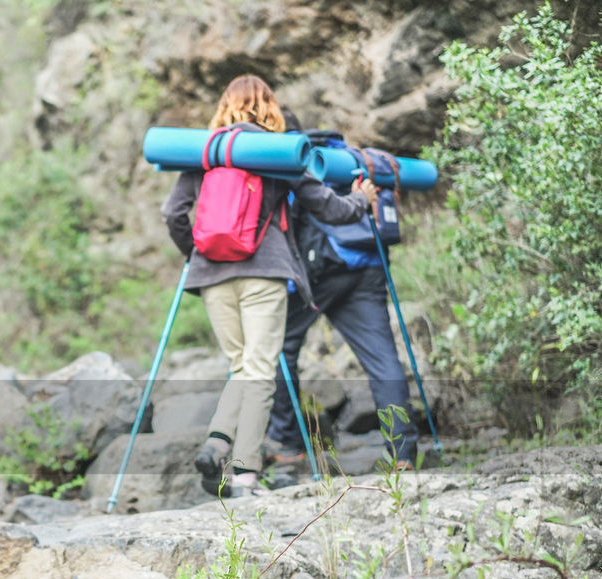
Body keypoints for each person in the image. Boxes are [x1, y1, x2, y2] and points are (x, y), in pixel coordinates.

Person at [161, 74, 378, 497]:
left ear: (224, 106)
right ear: (270, 108)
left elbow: (173, 214)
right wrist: (362, 200)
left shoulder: (204, 154)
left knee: (241, 365)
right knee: (260, 370)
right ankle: (244, 474)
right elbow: (327, 208)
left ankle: (217, 442)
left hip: (212, 277)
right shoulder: (276, 153)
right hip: (264, 273)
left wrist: (197, 255)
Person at [266, 116, 418, 470]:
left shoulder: (288, 159)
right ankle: (403, 454)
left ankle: (288, 443)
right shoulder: (346, 156)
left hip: (320, 272)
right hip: (367, 269)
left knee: (278, 347)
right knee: (382, 359)